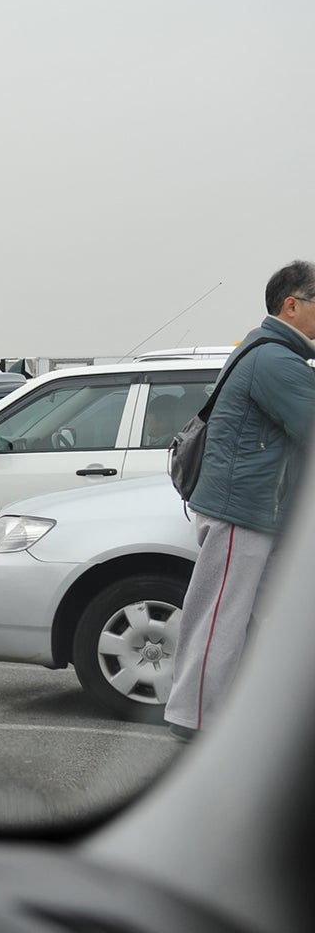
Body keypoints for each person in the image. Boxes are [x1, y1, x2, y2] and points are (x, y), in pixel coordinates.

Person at [165, 260, 315, 741]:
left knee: (260, 616)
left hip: (255, 512)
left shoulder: (265, 350)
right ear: (292, 306)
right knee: (219, 617)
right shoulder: (275, 360)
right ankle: (194, 718)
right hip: (243, 513)